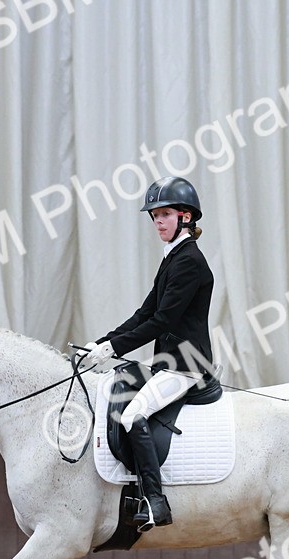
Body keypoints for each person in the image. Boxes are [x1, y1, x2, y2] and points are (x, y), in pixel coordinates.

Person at [82, 176, 215, 532]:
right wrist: (102, 343)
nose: (157, 221)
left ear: (186, 217)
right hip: (170, 362)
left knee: (132, 415)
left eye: (165, 214)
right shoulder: (173, 258)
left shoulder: (189, 262)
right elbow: (144, 314)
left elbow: (163, 321)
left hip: (186, 364)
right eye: (154, 215)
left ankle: (155, 500)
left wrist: (114, 348)